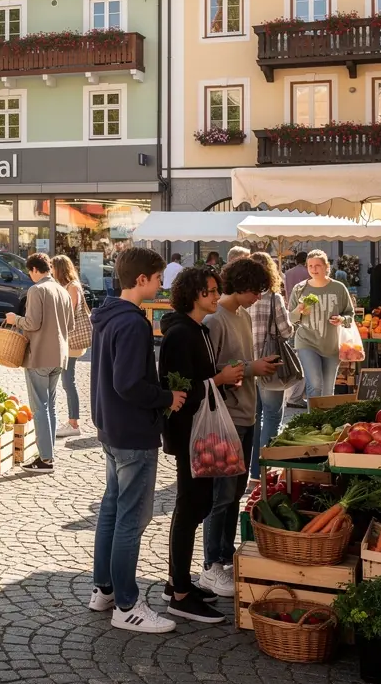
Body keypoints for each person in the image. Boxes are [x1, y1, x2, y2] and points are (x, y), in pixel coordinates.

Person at [89, 247, 185, 633]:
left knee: (112, 512)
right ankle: (127, 604)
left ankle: (105, 590)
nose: (161, 284)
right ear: (141, 279)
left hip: (113, 429)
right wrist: (167, 397)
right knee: (129, 519)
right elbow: (128, 383)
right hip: (132, 432)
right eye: (158, 278)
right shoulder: (132, 323)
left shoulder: (109, 315)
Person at [159, 266, 244, 624]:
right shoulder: (180, 333)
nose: (215, 295)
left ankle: (178, 583)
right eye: (210, 291)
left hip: (201, 431)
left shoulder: (199, 329)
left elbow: (199, 378)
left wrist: (220, 380)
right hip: (189, 432)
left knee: (197, 505)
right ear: (194, 294)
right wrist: (218, 379)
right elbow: (177, 387)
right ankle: (179, 591)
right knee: (190, 506)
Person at [201, 258, 280, 597]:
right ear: (243, 286)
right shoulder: (214, 319)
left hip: (246, 413)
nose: (258, 299)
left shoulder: (243, 316)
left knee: (235, 493)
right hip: (226, 418)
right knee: (221, 496)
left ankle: (224, 554)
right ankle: (210, 564)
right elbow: (213, 369)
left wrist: (256, 368)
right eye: (256, 292)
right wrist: (251, 367)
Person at [5, 253, 73, 474]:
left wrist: (15, 319)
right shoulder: (62, 290)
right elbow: (70, 325)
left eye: (29, 272)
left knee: (40, 407)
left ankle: (45, 459)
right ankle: (48, 454)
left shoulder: (37, 290)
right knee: (50, 406)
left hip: (40, 355)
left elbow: (32, 323)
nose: (29, 276)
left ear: (35, 270)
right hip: (60, 356)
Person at [247, 252, 296, 481]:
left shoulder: (240, 297)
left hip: (246, 365)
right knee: (272, 416)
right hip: (269, 365)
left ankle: (249, 470)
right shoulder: (273, 298)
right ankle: (261, 472)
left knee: (252, 419)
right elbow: (286, 332)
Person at [288, 249, 354, 400]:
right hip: (307, 342)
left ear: (326, 266)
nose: (313, 269)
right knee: (315, 384)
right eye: (310, 266)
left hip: (332, 345)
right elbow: (291, 319)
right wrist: (299, 309)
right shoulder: (300, 289)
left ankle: (326, 421)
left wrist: (342, 320)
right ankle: (313, 421)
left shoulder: (338, 288)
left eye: (317, 265)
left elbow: (350, 314)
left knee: (328, 390)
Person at [52, 254, 86, 438]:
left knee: (68, 382)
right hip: (65, 340)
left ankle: (74, 423)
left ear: (60, 269)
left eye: (52, 267)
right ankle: (72, 421)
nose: (51, 271)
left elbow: (69, 314)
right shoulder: (65, 286)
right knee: (66, 381)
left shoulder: (72, 287)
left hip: (71, 341)